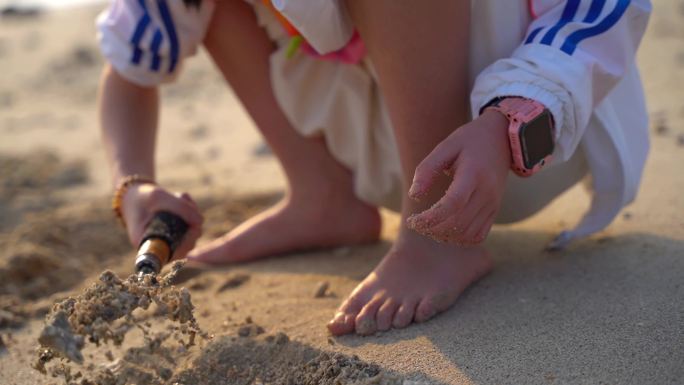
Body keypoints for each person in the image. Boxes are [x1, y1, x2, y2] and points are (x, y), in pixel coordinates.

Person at [97, 0, 652, 336]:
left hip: (529, 134)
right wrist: (135, 184)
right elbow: (129, 65)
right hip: (379, 137)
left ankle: (435, 239)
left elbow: (601, 11)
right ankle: (322, 194)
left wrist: (510, 116)